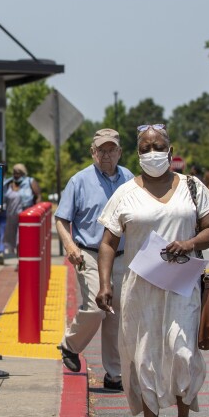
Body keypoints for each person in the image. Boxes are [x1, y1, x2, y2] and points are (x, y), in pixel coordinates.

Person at [95, 124, 209, 417]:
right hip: (141, 291)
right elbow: (108, 243)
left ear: (170, 149)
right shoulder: (124, 193)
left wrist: (190, 243)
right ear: (138, 154)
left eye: (158, 146)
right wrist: (105, 284)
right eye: (146, 147)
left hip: (182, 286)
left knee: (182, 352)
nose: (153, 152)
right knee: (145, 359)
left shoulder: (192, 187)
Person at [56, 129, 134, 392]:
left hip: (121, 255)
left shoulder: (130, 180)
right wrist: (69, 245)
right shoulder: (79, 181)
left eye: (112, 150)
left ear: (120, 152)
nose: (106, 155)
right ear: (93, 152)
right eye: (101, 150)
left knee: (115, 314)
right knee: (97, 306)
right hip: (88, 253)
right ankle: (70, 345)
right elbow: (61, 218)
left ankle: (114, 374)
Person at [1, 164, 41, 263]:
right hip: (11, 216)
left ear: (23, 173)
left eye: (18, 173)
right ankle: (20, 258)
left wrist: (37, 211)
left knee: (21, 239)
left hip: (25, 215)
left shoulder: (30, 181)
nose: (16, 175)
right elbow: (2, 198)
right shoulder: (8, 183)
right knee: (12, 240)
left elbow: (38, 196)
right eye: (14, 172)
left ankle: (21, 261)